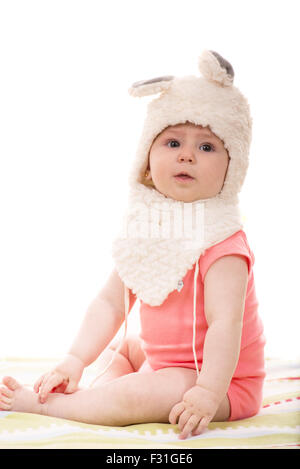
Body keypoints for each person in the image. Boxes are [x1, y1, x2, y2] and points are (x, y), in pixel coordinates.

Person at [0, 50, 265, 440]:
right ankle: (95, 390)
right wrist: (75, 359)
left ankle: (60, 406)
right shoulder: (149, 227)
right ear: (146, 160)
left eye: (207, 147)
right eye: (172, 142)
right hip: (163, 361)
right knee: (127, 345)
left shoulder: (223, 243)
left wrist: (207, 392)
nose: (187, 154)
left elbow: (226, 324)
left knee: (149, 392)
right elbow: (110, 302)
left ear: (232, 166)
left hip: (222, 380)